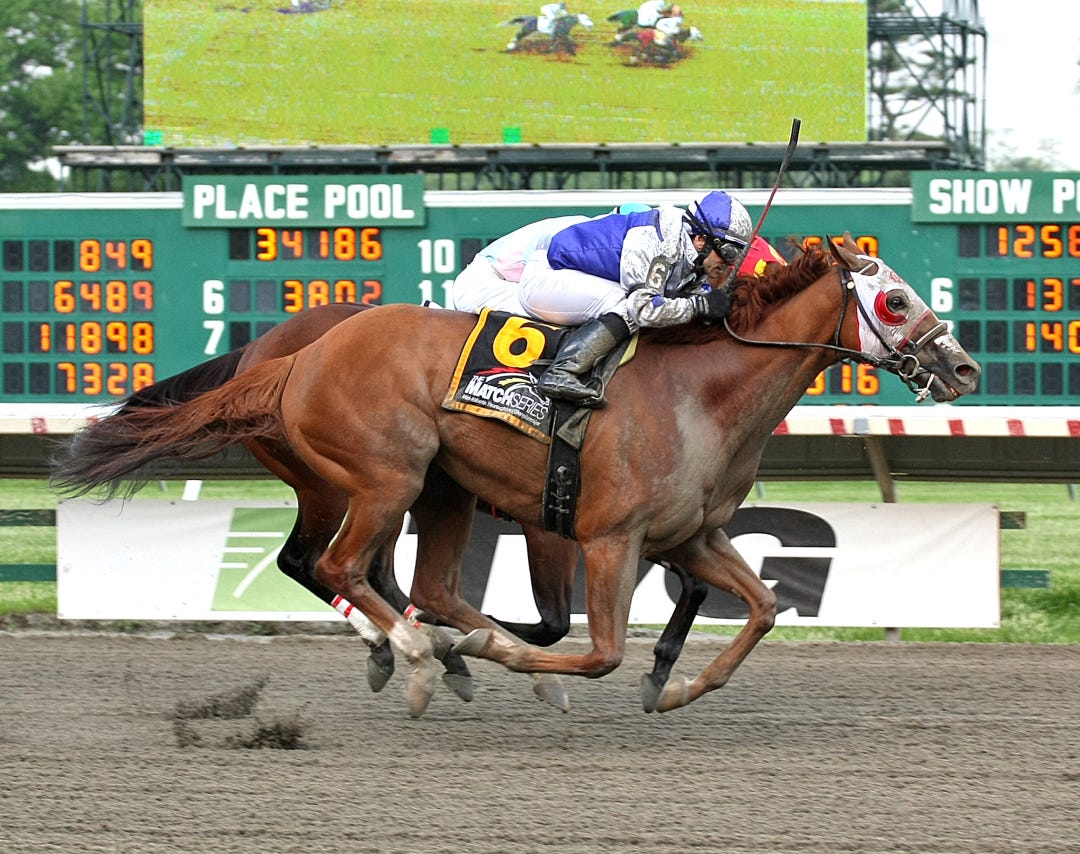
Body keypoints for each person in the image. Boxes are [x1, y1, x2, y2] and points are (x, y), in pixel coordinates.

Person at [517, 190, 754, 406]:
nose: (730, 262)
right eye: (728, 251)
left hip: (579, 280)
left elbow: (693, 302)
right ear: (701, 239)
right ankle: (560, 372)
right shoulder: (656, 240)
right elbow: (644, 310)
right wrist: (700, 305)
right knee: (629, 306)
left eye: (737, 253)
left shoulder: (694, 256)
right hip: (547, 278)